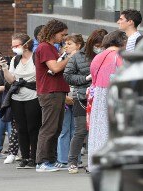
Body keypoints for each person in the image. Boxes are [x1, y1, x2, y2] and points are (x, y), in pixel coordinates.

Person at [63, 29, 108, 174]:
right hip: (82, 97)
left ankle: (94, 161)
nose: (99, 47)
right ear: (91, 43)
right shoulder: (78, 56)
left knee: (98, 131)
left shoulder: (107, 55)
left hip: (101, 97)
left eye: (102, 45)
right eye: (97, 44)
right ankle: (72, 161)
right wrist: (85, 79)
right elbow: (68, 76)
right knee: (81, 130)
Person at [0, 33, 41, 168]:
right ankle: (25, 157)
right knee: (20, 128)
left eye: (16, 45)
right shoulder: (15, 60)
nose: (14, 48)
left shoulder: (36, 57)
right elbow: (11, 80)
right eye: (12, 46)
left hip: (33, 96)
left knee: (33, 127)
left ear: (26, 44)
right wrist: (5, 68)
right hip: (17, 97)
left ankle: (34, 157)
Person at [87, 30, 127, 172]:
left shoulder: (97, 57)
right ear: (122, 42)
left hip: (98, 93)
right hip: (113, 93)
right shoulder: (119, 56)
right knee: (113, 127)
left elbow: (93, 76)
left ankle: (95, 162)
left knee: (98, 127)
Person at [34, 19, 70, 172]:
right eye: (62, 34)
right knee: (49, 127)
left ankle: (50, 160)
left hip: (55, 91)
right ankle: (42, 162)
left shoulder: (50, 48)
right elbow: (54, 68)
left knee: (55, 127)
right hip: (50, 92)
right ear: (54, 32)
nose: (64, 38)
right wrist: (69, 57)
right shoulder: (45, 47)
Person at [55, 34, 85, 170]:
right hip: (66, 97)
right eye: (65, 44)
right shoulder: (61, 58)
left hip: (79, 97)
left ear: (78, 45)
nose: (66, 46)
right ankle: (62, 159)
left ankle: (76, 159)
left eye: (70, 44)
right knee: (64, 129)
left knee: (77, 130)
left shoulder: (84, 58)